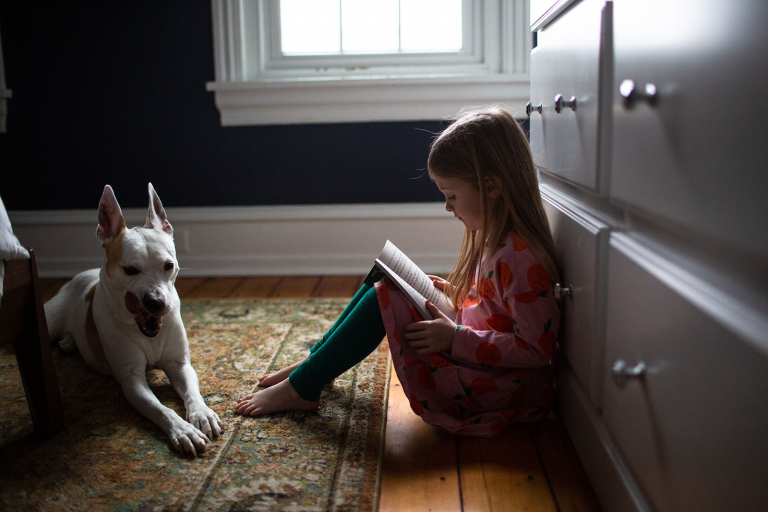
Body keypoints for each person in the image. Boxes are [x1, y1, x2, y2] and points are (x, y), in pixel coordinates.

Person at [235, 106, 561, 437]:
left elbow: (535, 349)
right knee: (386, 277)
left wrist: (454, 337)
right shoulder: (499, 242)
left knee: (384, 298)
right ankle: (318, 364)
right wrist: (456, 294)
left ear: (491, 187)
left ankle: (304, 385)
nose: (447, 206)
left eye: (452, 195)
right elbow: (498, 312)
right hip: (478, 357)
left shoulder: (519, 259)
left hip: (493, 386)